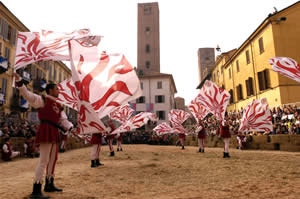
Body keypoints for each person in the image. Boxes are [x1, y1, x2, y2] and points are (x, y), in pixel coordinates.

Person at [14, 73, 74, 199]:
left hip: (54, 131)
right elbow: (28, 95)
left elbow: (62, 120)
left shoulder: (58, 105)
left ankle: (49, 183)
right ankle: (36, 189)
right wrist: (19, 81)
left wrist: (70, 127)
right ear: (50, 90)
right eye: (57, 89)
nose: (58, 91)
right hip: (46, 130)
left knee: (53, 159)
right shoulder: (42, 100)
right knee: (43, 161)